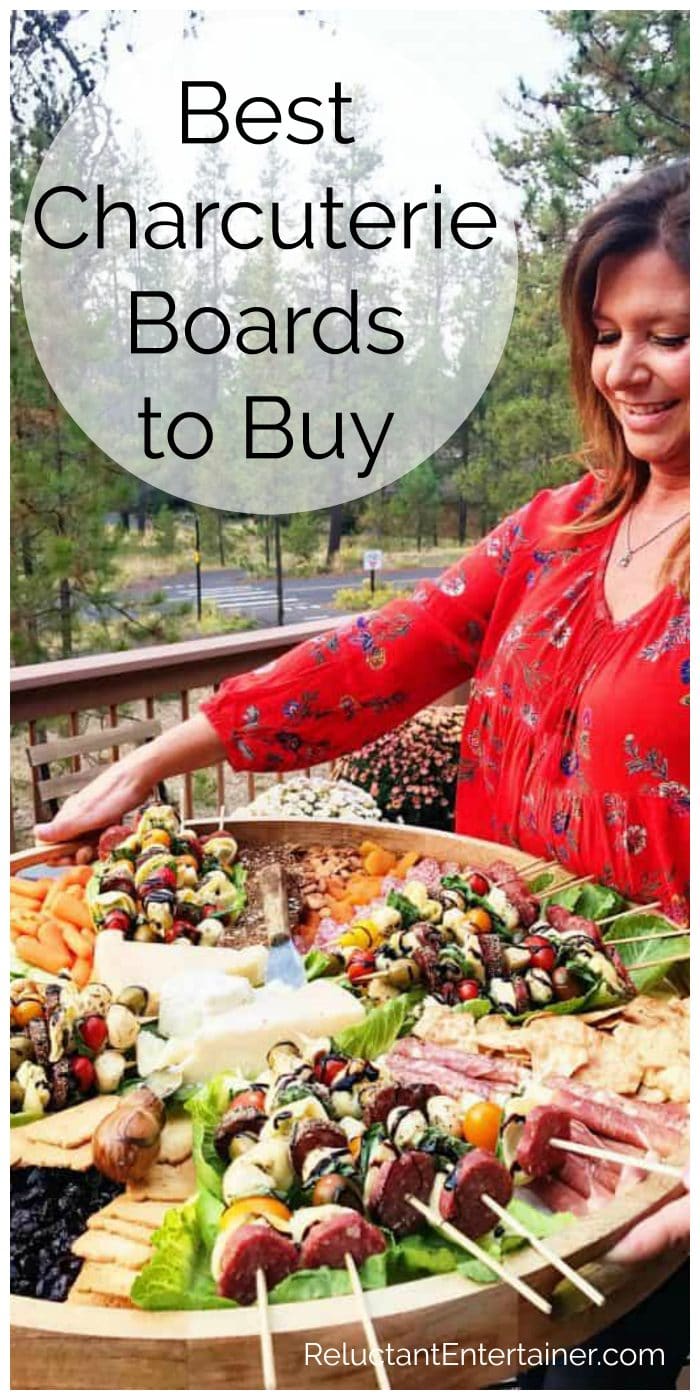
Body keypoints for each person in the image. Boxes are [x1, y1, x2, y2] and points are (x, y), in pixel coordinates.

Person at [35, 162, 690, 1290]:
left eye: (666, 334)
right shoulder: (558, 528)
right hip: (483, 1026)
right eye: (603, 331)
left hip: (664, 1076)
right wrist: (156, 755)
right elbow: (374, 654)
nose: (622, 368)